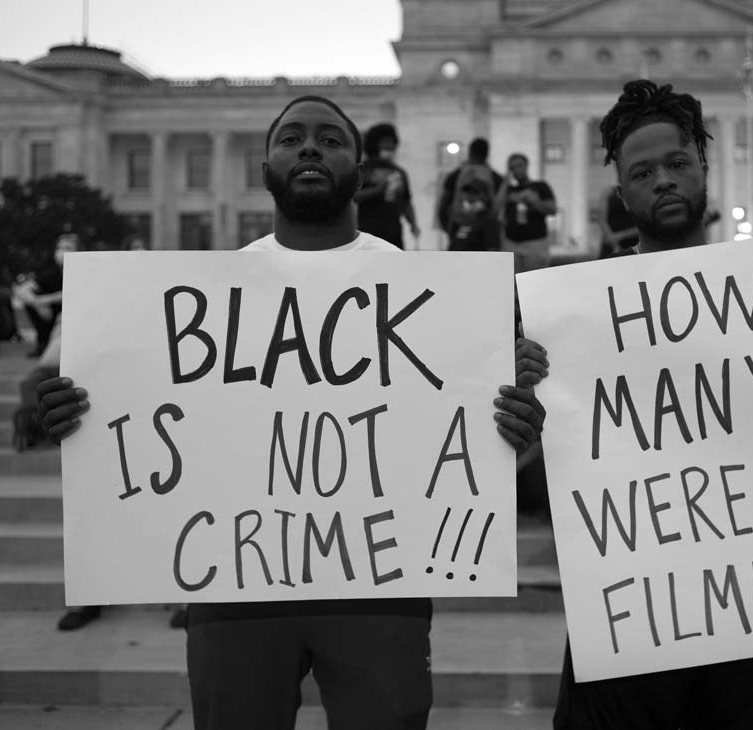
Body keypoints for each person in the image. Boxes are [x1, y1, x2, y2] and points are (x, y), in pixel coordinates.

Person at [35, 95, 547, 730]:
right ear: (266, 165)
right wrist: (66, 414)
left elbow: (481, 443)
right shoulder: (207, 292)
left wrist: (517, 426)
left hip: (381, 581)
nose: (310, 148)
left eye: (331, 139)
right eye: (292, 138)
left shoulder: (426, 290)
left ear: (362, 170)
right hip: (234, 587)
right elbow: (135, 419)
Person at [548, 79, 753, 730]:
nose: (664, 181)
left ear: (704, 172)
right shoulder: (571, 321)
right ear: (622, 195)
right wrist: (526, 397)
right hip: (629, 601)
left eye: (678, 164)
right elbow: (533, 464)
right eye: (643, 172)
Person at [354, 122, 419, 249]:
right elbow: (353, 196)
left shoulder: (400, 172)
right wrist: (377, 190)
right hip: (369, 233)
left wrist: (413, 224)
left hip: (395, 233)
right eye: (385, 141)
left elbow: (406, 202)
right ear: (374, 143)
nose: (390, 145)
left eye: (392, 142)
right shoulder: (363, 169)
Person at [497, 153, 557, 273]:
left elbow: (552, 209)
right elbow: (496, 207)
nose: (517, 170)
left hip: (535, 242)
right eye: (513, 167)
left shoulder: (540, 186)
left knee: (535, 280)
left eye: (520, 165)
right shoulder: (508, 190)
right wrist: (506, 181)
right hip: (511, 242)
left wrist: (534, 201)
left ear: (526, 166)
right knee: (511, 283)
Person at [436, 137, 504, 235]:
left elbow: (443, 207)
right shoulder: (495, 178)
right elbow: (500, 206)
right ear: (487, 154)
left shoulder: (456, 175)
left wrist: (450, 230)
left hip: (459, 226)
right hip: (486, 231)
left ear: (470, 152)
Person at [446, 177, 501, 252]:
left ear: (485, 196)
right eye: (468, 192)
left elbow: (493, 252)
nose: (470, 197)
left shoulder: (488, 221)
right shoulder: (462, 220)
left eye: (475, 193)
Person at [597, 183, 639, 258]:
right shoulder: (608, 191)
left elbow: (644, 223)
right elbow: (601, 219)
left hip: (633, 243)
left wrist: (619, 236)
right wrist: (614, 244)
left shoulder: (639, 191)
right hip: (610, 242)